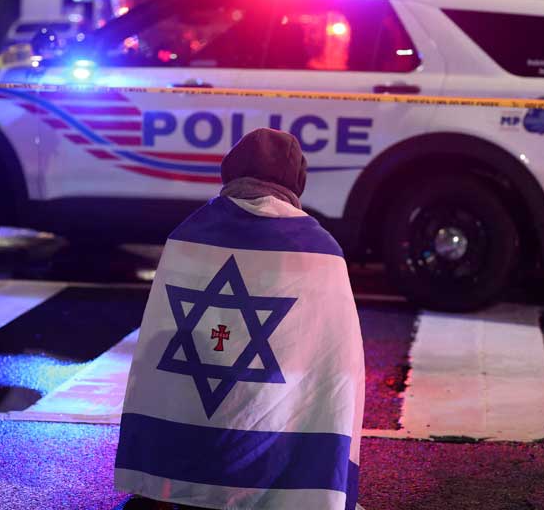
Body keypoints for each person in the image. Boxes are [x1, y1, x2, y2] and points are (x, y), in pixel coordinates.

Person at [114, 128, 365, 510]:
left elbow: (160, 355)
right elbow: (332, 365)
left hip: (187, 449)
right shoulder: (318, 249)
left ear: (230, 170)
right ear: (295, 181)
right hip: (271, 447)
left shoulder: (188, 234)